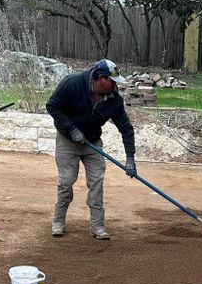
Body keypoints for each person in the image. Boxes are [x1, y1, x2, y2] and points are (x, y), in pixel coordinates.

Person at [46, 58, 136, 240]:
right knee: (66, 180)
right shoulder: (73, 83)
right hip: (67, 141)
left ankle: (97, 226)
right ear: (101, 78)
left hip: (92, 143)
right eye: (112, 81)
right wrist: (71, 129)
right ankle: (58, 222)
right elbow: (52, 106)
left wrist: (130, 159)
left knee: (96, 183)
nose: (115, 86)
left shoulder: (114, 100)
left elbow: (126, 128)